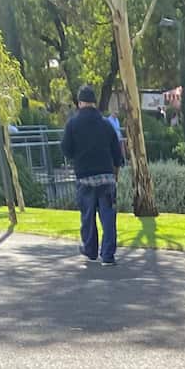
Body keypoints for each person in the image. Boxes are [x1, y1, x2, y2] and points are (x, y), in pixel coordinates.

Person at [61, 83, 124, 265]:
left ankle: (90, 249)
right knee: (108, 217)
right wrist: (115, 173)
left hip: (85, 176)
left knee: (87, 216)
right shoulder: (106, 125)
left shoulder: (72, 124)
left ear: (80, 103)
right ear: (94, 103)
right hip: (106, 176)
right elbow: (117, 154)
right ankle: (108, 254)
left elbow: (66, 149)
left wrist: (77, 156)